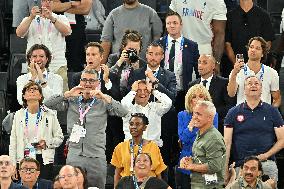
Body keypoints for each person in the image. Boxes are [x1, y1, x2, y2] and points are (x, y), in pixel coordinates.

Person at [44, 69, 128, 188]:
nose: (87, 83)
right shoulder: (72, 99)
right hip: (75, 154)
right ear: (80, 82)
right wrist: (67, 94)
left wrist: (105, 97)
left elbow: (123, 112)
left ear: (98, 82)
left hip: (96, 155)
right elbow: (47, 104)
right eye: (84, 80)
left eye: (91, 80)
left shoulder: (103, 101)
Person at [224, 75, 284, 185]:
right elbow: (226, 143)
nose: (253, 85)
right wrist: (225, 170)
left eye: (256, 83)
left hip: (266, 163)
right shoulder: (233, 112)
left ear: (262, 89)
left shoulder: (272, 111)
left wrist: (266, 155)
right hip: (241, 165)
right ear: (243, 90)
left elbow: (282, 140)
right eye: (249, 83)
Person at [127, 42, 177, 166]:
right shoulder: (136, 73)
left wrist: (154, 81)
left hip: (163, 125)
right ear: (146, 55)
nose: (153, 57)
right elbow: (129, 96)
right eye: (150, 54)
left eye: (157, 54)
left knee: (162, 162)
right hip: (139, 126)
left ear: (162, 56)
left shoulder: (169, 75)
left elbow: (172, 98)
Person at [9, 81, 64, 180]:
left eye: (35, 89)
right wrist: (13, 165)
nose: (32, 91)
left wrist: (47, 143)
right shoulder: (18, 115)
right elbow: (13, 141)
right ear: (24, 96)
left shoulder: (50, 114)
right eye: (28, 89)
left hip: (43, 158)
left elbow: (59, 137)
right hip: (23, 158)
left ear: (40, 96)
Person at [15, 0, 71, 92]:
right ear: (40, 3)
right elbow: (19, 33)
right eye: (45, 1)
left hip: (57, 64)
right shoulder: (29, 19)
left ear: (54, 3)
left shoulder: (61, 18)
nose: (47, 3)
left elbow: (67, 32)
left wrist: (52, 18)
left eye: (50, 1)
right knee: (34, 93)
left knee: (61, 96)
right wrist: (31, 17)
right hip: (36, 64)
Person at [176, 84, 218, 188]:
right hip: (186, 162)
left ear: (206, 99)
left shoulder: (213, 115)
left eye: (201, 96)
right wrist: (192, 123)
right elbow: (183, 139)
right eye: (194, 97)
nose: (198, 99)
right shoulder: (182, 115)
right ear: (190, 101)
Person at [157, 11, 199, 112]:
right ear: (165, 26)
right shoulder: (158, 44)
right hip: (162, 93)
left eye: (175, 23)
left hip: (183, 93)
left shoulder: (192, 46)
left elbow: (198, 71)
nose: (172, 26)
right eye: (168, 23)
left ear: (181, 25)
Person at [169, 0, 227, 74]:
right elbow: (170, 23)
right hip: (179, 47)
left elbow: (219, 33)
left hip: (203, 50)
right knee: (178, 84)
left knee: (203, 84)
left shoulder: (216, 1)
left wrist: (217, 62)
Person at [111, 113, 167, 187]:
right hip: (127, 186)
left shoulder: (153, 147)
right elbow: (117, 174)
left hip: (149, 186)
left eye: (138, 124)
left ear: (145, 127)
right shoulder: (120, 147)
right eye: (131, 124)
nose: (134, 127)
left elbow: (158, 173)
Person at [179, 101, 226, 188]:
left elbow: (214, 166)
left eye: (198, 114)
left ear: (210, 117)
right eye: (194, 114)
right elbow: (203, 158)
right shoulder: (201, 133)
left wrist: (192, 166)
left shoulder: (213, 138)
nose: (194, 118)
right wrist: (190, 160)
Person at [100, 0, 163, 64]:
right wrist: (100, 71)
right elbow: (106, 42)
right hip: (118, 66)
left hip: (144, 67)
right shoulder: (113, 14)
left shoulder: (151, 13)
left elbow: (157, 42)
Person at [224, 0, 274, 77]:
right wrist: (238, 66)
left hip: (259, 71)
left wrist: (256, 65)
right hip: (234, 69)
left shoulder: (264, 15)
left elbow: (268, 43)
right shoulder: (230, 16)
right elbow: (227, 44)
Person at [227, 36, 281, 107]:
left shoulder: (271, 72)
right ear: (248, 50)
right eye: (251, 47)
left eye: (257, 48)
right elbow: (231, 94)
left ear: (262, 53)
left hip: (262, 115)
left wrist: (270, 112)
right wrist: (234, 73)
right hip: (243, 114)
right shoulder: (237, 71)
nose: (253, 50)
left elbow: (277, 99)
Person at [189, 54, 235, 134]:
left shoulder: (224, 83)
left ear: (213, 66)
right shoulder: (192, 85)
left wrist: (210, 113)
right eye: (199, 62)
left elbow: (230, 106)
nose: (200, 65)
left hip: (217, 127)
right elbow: (188, 106)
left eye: (204, 62)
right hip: (195, 130)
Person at [121, 80, 172, 146]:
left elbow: (168, 103)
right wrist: (132, 91)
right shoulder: (129, 109)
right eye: (139, 90)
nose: (142, 93)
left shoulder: (156, 108)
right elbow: (123, 104)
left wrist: (153, 90)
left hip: (153, 148)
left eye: (146, 90)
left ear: (149, 93)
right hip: (132, 149)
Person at [52, 0, 92, 72]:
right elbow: (52, 6)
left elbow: (85, 9)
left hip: (77, 33)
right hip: (56, 30)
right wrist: (71, 4)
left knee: (76, 65)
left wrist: (61, 6)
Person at [107, 30, 144, 97]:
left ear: (140, 49)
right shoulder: (113, 58)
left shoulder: (143, 64)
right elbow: (106, 76)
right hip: (113, 96)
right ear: (124, 47)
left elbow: (142, 86)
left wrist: (136, 70)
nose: (132, 53)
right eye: (130, 49)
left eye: (135, 50)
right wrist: (119, 62)